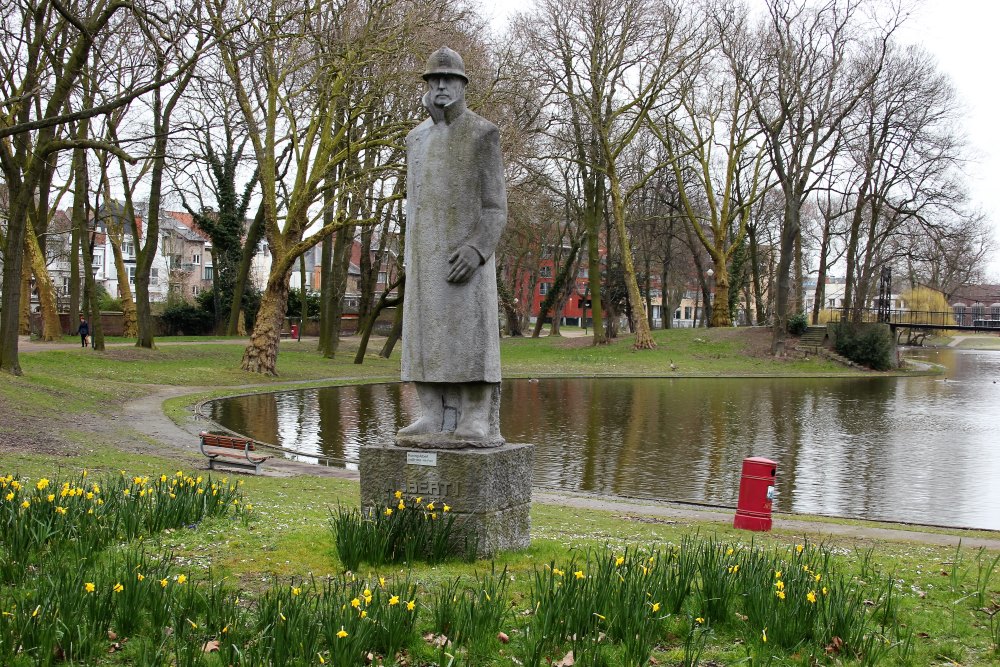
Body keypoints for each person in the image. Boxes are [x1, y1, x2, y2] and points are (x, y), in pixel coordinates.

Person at [398, 46, 507, 445]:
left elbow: (496, 208)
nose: (441, 86)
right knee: (424, 334)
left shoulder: (483, 133)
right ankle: (429, 414)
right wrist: (411, 257)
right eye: (434, 79)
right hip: (426, 257)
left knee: (470, 333)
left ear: (463, 85)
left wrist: (477, 250)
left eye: (449, 79)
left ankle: (475, 418)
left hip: (467, 259)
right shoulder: (416, 139)